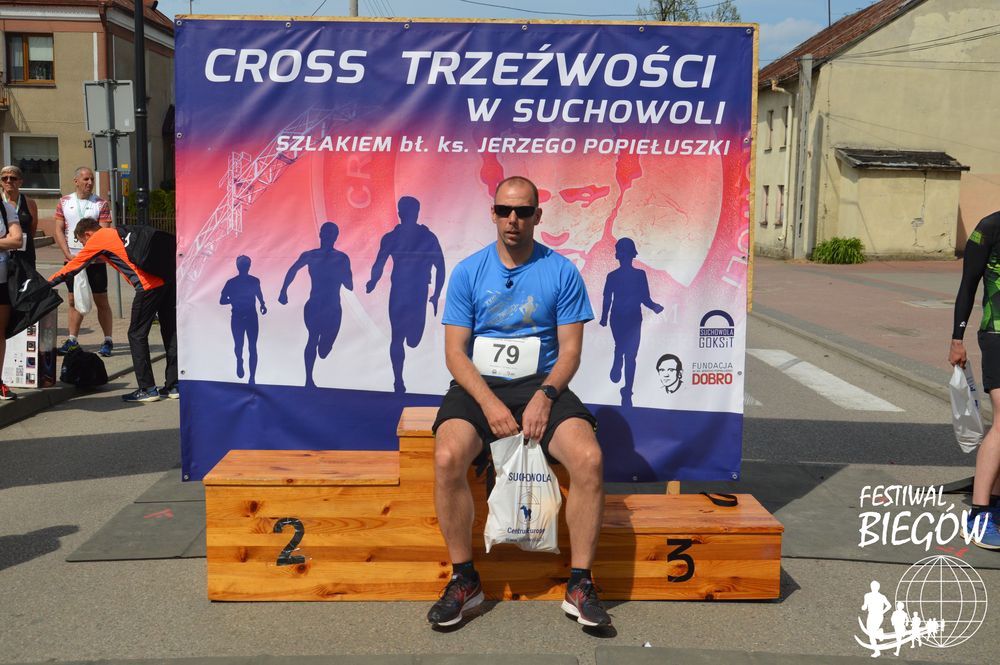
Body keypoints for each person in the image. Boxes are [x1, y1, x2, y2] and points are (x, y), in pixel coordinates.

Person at [428, 176, 609, 628]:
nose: (513, 219)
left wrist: (545, 396)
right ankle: (464, 579)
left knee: (589, 459)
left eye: (524, 211)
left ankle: (580, 583)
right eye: (505, 210)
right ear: (492, 213)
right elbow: (455, 353)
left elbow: (570, 352)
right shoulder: (469, 271)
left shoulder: (561, 271)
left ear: (537, 216)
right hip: (480, 387)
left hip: (541, 385)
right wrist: (489, 403)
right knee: (447, 456)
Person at [47, 218, 177, 403]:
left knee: (136, 335)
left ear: (87, 234)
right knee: (170, 331)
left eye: (83, 242)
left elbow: (74, 266)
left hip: (148, 286)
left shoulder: (98, 238)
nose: (85, 247)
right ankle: (173, 385)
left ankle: (147, 388)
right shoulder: (117, 232)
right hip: (166, 281)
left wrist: (46, 284)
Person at [950, 209, 1000, 550]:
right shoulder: (990, 227)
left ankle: (994, 505)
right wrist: (957, 339)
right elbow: (968, 285)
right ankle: (979, 515)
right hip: (997, 334)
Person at [365, 196, 445, 393]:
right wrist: (373, 280)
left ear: (416, 213)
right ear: (400, 213)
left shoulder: (428, 237)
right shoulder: (391, 237)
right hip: (399, 292)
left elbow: (440, 266)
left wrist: (436, 294)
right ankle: (398, 381)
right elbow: (379, 263)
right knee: (397, 337)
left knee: (413, 340)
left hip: (418, 292)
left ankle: (400, 374)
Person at [278, 221, 353, 388]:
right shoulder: (311, 255)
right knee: (312, 338)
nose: (328, 236)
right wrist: (283, 291)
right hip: (315, 304)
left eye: (331, 233)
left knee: (324, 351)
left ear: (335, 237)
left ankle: (325, 347)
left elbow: (350, 285)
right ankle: (309, 380)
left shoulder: (341, 258)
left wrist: (339, 273)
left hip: (333, 308)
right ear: (320, 234)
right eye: (326, 232)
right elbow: (293, 269)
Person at [53, 167, 114, 357]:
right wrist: (67, 253)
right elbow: (58, 229)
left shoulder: (100, 204)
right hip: (72, 259)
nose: (89, 183)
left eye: (91, 179)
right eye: (86, 179)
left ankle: (108, 340)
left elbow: (104, 233)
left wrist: (89, 256)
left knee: (101, 299)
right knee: (73, 299)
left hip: (95, 262)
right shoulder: (64, 202)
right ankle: (72, 340)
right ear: (76, 181)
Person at [599, 237, 663, 406]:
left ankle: (627, 391)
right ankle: (617, 359)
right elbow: (607, 298)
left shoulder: (639, 275)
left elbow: (644, 298)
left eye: (623, 252)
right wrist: (604, 317)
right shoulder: (612, 276)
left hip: (633, 319)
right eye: (620, 252)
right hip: (618, 318)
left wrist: (654, 306)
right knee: (624, 350)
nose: (622, 255)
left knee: (631, 355)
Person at [220, 255, 267, 385]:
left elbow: (258, 293)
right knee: (239, 345)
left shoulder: (254, 281)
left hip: (251, 316)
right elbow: (222, 300)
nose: (245, 266)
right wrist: (233, 300)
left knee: (252, 347)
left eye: (246, 264)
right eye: (244, 264)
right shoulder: (231, 283)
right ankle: (239, 360)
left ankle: (252, 377)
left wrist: (263, 304)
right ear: (239, 266)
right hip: (237, 317)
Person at [0, 194, 25, 400]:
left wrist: (9, 241)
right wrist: (3, 241)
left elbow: (17, 240)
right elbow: (10, 240)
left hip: (2, 280)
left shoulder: (5, 208)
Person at [0, 165, 38, 269]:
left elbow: (32, 228)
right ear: (1, 182)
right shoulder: (1, 202)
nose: (8, 181)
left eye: (13, 178)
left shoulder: (30, 203)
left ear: (20, 182)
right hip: (3, 251)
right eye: (4, 178)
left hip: (25, 253)